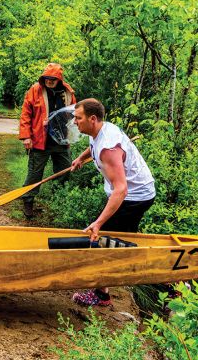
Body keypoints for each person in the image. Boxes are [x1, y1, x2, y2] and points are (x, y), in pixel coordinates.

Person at [71, 98, 156, 306]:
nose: (74, 122)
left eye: (78, 118)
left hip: (134, 197)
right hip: (131, 194)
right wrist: (82, 158)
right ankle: (106, 288)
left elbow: (121, 189)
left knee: (102, 239)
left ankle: (102, 295)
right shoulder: (98, 130)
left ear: (92, 119)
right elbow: (93, 146)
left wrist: (98, 223)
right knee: (118, 240)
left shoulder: (108, 148)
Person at [19, 63, 76, 218]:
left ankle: (57, 200)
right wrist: (26, 136)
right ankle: (28, 201)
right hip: (39, 140)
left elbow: (73, 114)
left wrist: (72, 132)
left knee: (65, 170)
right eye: (47, 78)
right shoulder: (35, 90)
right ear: (43, 78)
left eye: (53, 78)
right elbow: (25, 114)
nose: (49, 81)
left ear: (59, 79)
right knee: (34, 173)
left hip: (61, 140)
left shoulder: (68, 92)